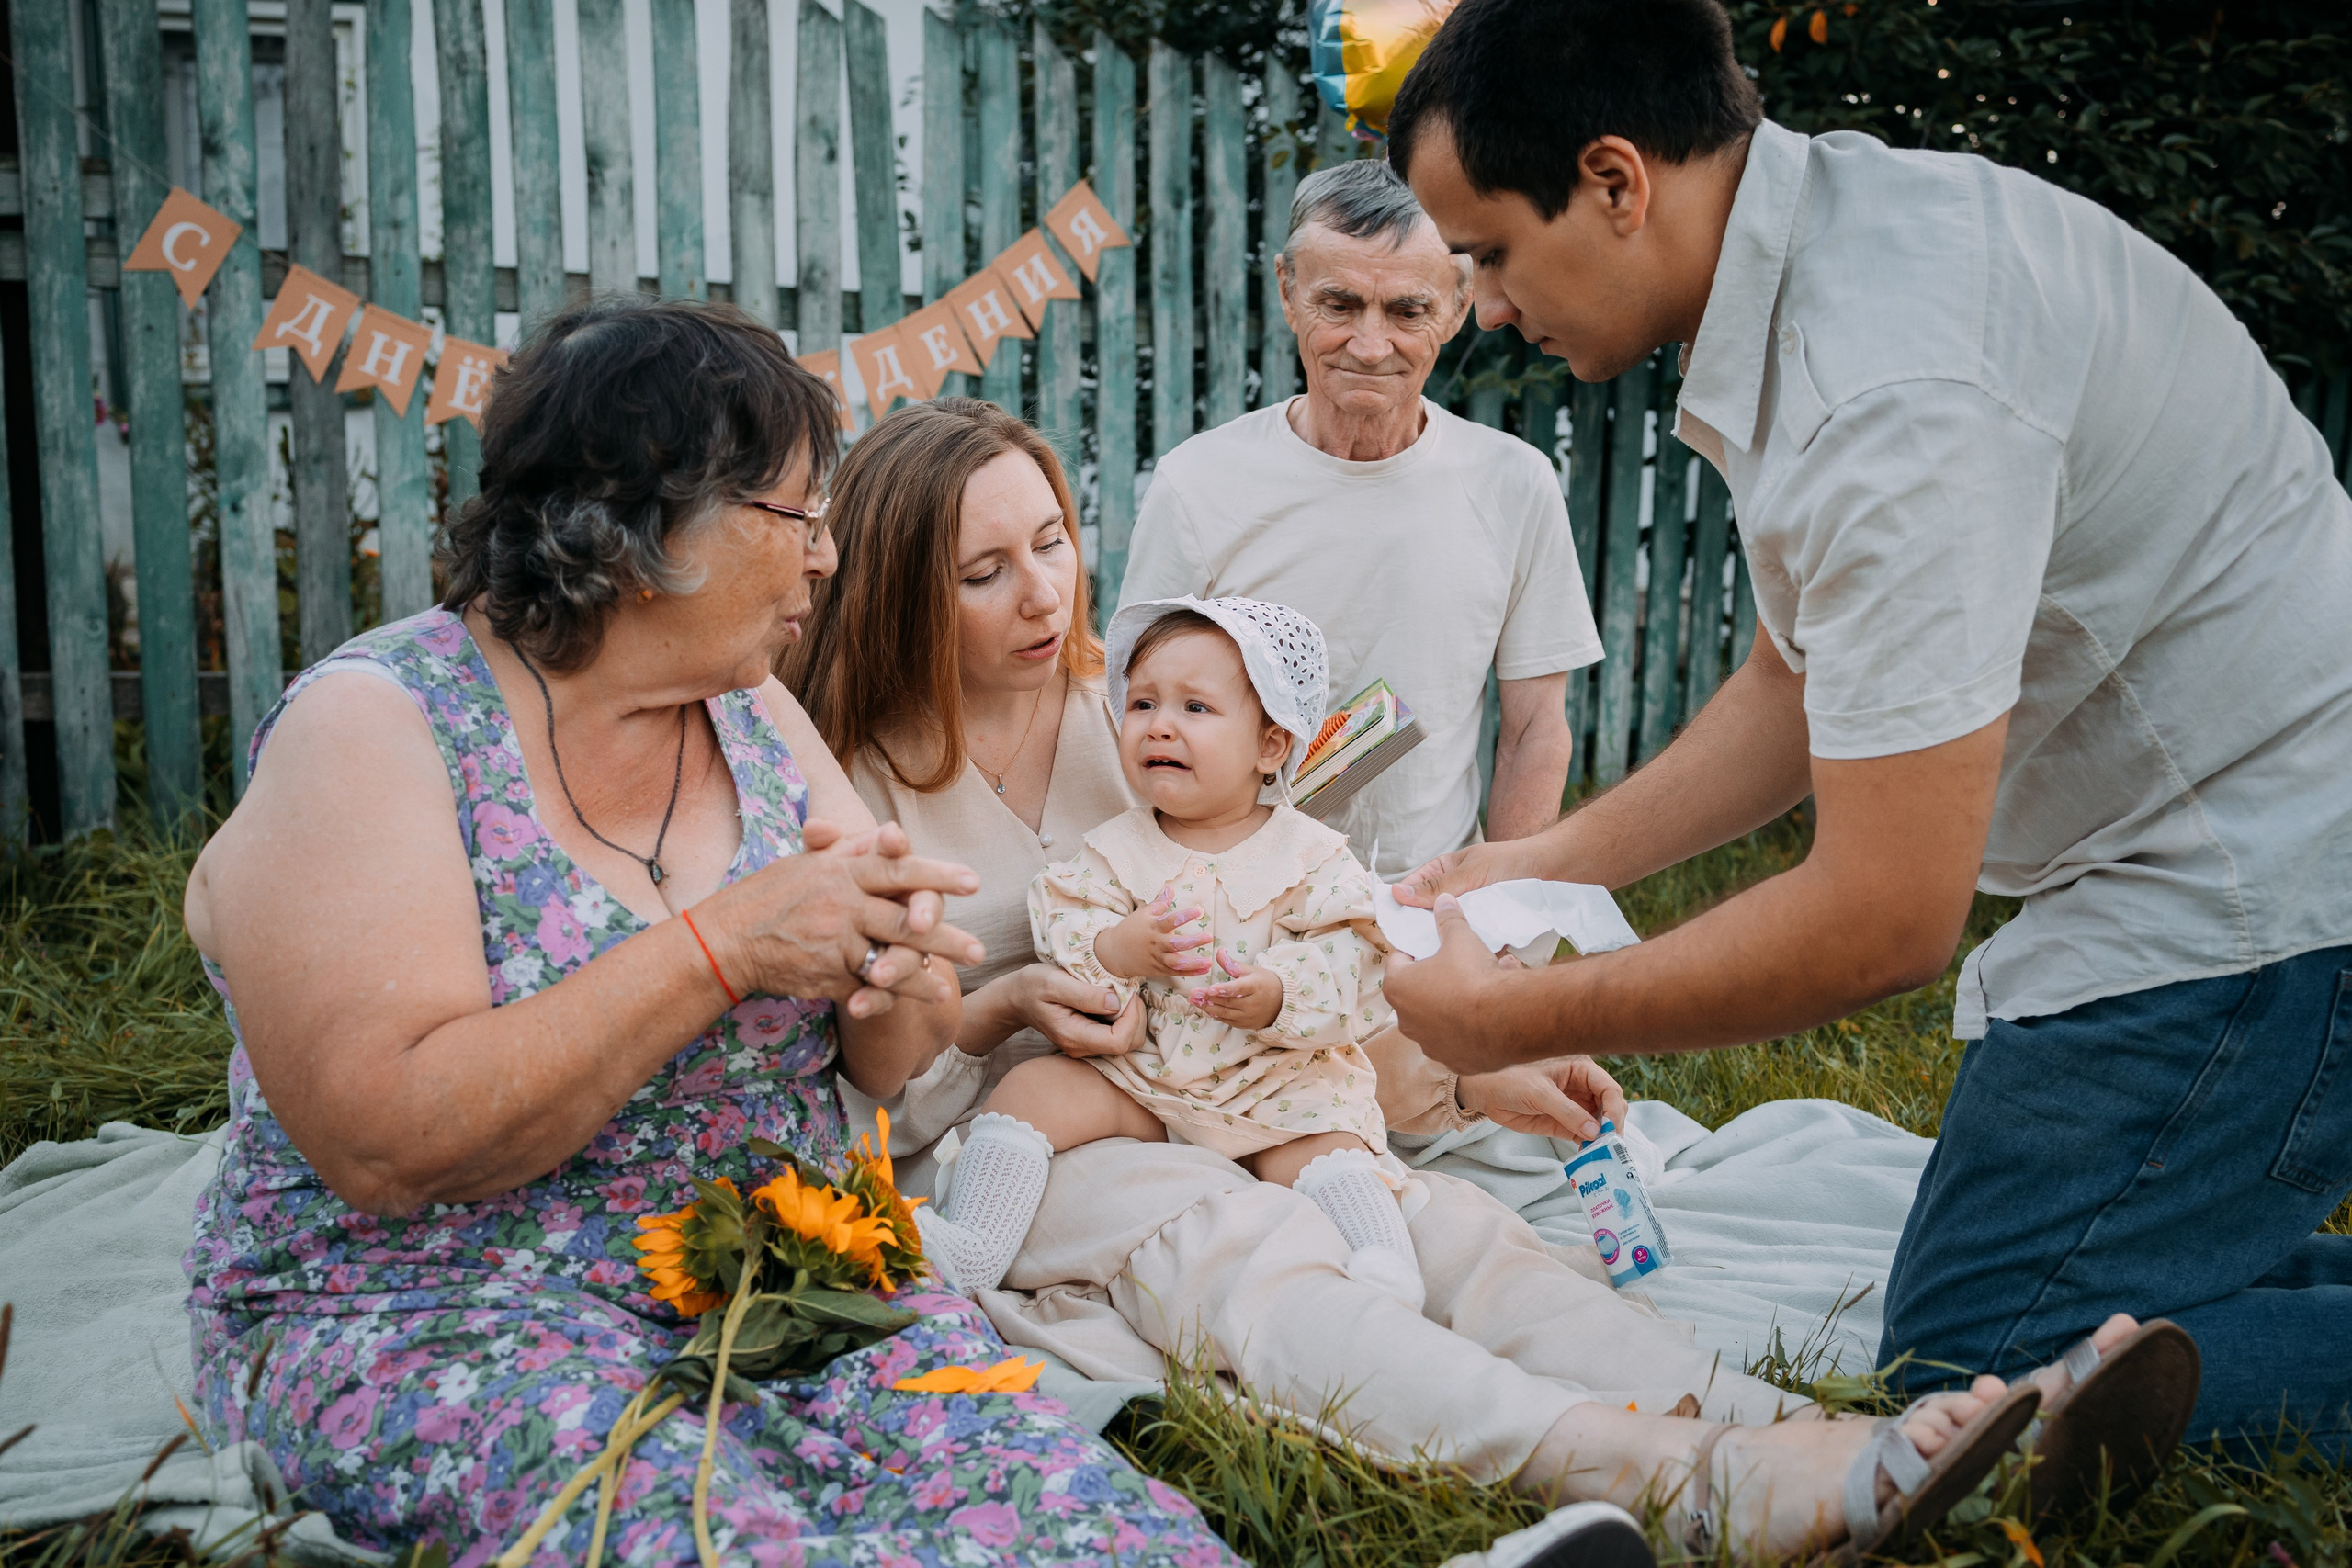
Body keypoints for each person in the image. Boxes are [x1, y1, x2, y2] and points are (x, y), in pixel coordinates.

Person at [787, 396, 2112, 1564]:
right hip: (1024, 1124)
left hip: (1230, 1070)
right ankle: (1665, 1473)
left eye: (1055, 542)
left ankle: (1800, 1427)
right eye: (983, 570)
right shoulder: (849, 773)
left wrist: (1470, 1065)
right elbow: (880, 1067)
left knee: (1445, 1228)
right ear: (905, 586)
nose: (1043, 594)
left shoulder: (1136, 708)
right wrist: (1014, 1002)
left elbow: (1301, 929)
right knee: (1251, 1244)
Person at [1384, 0, 2349, 1466]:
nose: (1487, 307)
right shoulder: (1827, 252)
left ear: (1616, 180)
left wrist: (1510, 1019)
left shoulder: (1892, 390)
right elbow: (1797, 679)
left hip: (2265, 886)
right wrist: (1535, 857)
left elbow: (1887, 916)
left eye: (1491, 253)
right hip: (2177, 836)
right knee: (2049, 1311)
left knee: (1977, 1357)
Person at [176, 299, 1238, 1562]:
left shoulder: (754, 716)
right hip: (440, 1299)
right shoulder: (377, 728)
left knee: (1075, 1515)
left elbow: (883, 1066)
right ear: (642, 529)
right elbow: (386, 1136)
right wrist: (727, 946)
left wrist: (896, 977)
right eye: (797, 515)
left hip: (773, 1257)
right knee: (716, 1536)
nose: (827, 558)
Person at [922, 597, 1425, 1307]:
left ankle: (1385, 1264)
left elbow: (1358, 964)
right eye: (1144, 702)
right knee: (1033, 1090)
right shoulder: (1119, 847)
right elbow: (1067, 927)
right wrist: (1119, 948)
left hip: (1275, 1085)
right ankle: (971, 1243)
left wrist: (1278, 990)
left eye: (1195, 708)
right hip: (1148, 1074)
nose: (1160, 723)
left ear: (1270, 745)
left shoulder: (1310, 856)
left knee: (1334, 1148)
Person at [1119, 158, 1595, 878]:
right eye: (1339, 306)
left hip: (1427, 903)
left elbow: (1534, 728)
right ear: (1288, 291)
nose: (1371, 347)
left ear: (1460, 304)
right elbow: (1129, 715)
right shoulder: (1198, 485)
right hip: (1236, 907)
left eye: (1408, 311)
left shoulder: (1514, 484)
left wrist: (1499, 918)